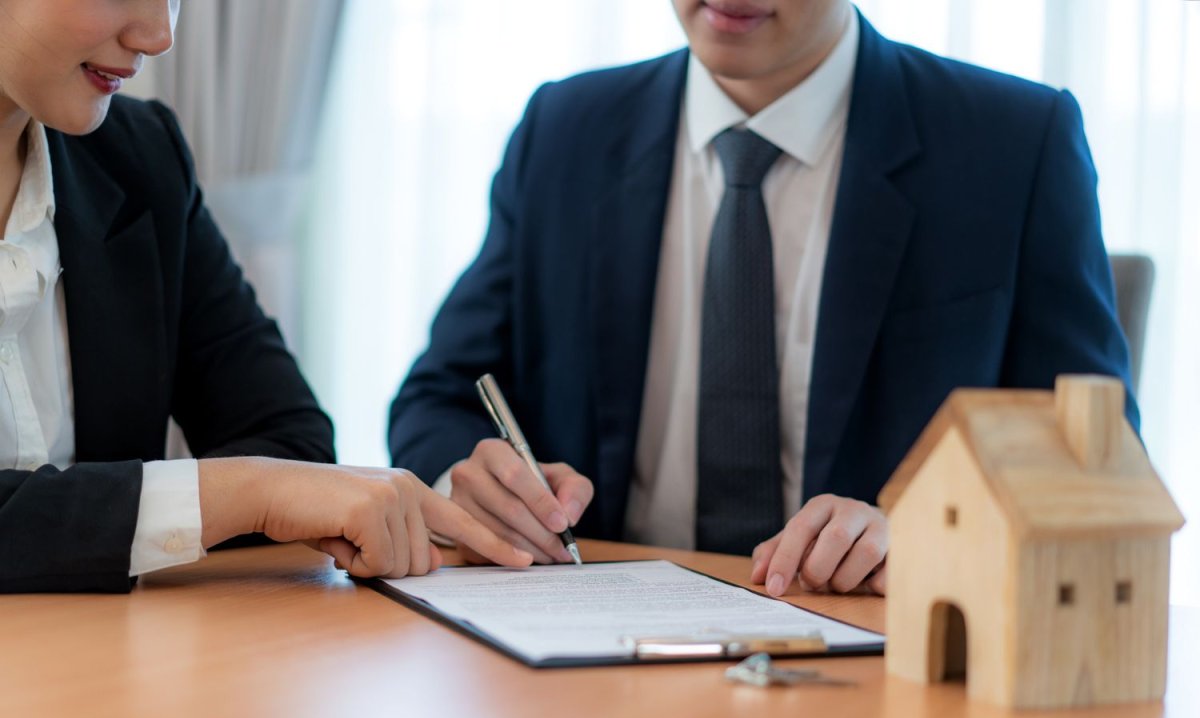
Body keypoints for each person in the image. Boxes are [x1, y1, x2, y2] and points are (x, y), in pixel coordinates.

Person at [388, 0, 1137, 596]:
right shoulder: (565, 128)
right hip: (590, 640)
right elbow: (437, 396)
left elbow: (1092, 463)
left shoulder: (1012, 142)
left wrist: (932, 535)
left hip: (876, 662)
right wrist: (471, 480)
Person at [0, 0, 531, 593]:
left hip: (103, 666)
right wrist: (242, 492)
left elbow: (290, 438)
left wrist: (260, 488)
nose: (158, 36)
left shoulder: (138, 159)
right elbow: (271, 481)